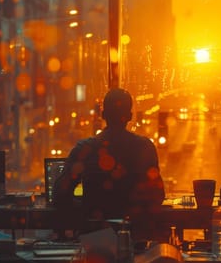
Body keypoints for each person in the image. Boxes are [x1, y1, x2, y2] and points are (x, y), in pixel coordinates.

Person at [53, 88, 166, 238]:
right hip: (135, 238)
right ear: (130, 116)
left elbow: (60, 193)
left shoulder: (85, 149)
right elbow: (157, 195)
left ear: (103, 115)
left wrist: (86, 208)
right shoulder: (144, 148)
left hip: (95, 238)